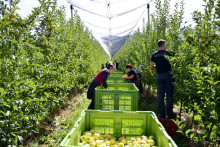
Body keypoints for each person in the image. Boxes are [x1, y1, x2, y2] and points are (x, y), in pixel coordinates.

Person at [150, 39, 176, 119]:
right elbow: (178, 57)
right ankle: (169, 115)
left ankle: (162, 114)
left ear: (158, 46)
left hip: (160, 76)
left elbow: (151, 66)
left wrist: (157, 66)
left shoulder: (154, 55)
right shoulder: (169, 53)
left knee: (160, 96)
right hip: (169, 76)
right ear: (164, 45)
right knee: (169, 96)